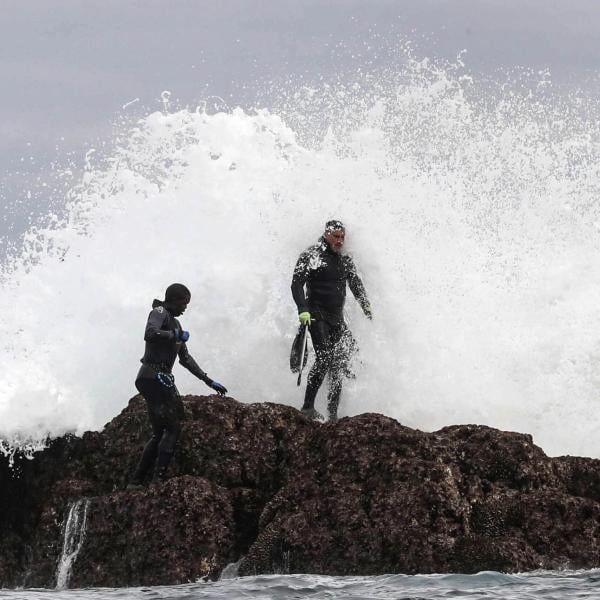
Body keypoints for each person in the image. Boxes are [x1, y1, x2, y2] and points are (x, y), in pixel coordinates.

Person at [129, 283, 228, 488]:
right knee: (173, 428)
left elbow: (185, 359)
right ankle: (159, 480)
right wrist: (174, 336)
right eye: (184, 302)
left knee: (159, 433)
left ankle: (137, 481)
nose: (185, 307)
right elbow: (150, 333)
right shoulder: (159, 312)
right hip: (153, 375)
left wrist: (208, 380)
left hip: (158, 377)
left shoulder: (176, 324)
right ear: (174, 299)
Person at [291, 220, 372, 422]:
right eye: (336, 236)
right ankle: (307, 407)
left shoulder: (344, 259)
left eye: (342, 237)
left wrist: (366, 305)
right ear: (326, 234)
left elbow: (355, 283)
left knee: (339, 363)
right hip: (316, 315)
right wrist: (302, 310)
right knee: (325, 357)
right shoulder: (311, 255)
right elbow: (296, 284)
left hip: (337, 319)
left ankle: (333, 415)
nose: (340, 240)